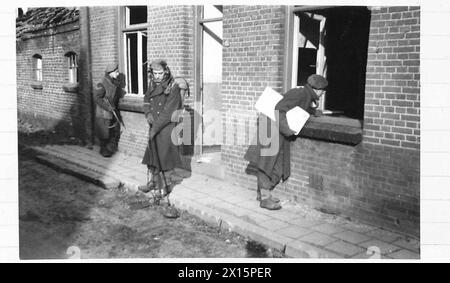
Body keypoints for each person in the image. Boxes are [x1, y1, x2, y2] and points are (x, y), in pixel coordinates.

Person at [244, 74, 328, 210]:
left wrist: (314, 111)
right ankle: (265, 199)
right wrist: (287, 130)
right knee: (266, 164)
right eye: (323, 91)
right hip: (271, 129)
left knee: (280, 166)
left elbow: (297, 108)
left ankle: (265, 193)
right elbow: (279, 109)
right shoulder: (300, 93)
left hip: (277, 130)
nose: (323, 94)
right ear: (318, 90)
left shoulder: (305, 94)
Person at [138, 59, 184, 199]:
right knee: (152, 156)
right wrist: (148, 114)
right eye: (155, 73)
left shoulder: (173, 87)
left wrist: (155, 127)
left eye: (160, 73)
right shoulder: (152, 84)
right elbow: (146, 100)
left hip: (165, 128)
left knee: (164, 159)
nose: (158, 76)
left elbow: (168, 112)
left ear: (166, 72)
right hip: (154, 125)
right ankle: (153, 183)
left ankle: (163, 187)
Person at [93, 63, 125, 157]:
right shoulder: (102, 83)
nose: (118, 74)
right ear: (110, 73)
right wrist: (107, 107)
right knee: (105, 133)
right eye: (116, 72)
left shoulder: (114, 82)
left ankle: (109, 149)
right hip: (103, 113)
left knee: (113, 131)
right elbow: (96, 98)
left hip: (112, 111)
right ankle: (104, 151)